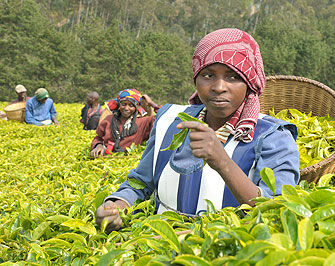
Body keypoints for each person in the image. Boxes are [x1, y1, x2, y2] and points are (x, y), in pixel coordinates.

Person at [95, 28, 300, 232]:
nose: (219, 87)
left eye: (233, 77)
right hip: (157, 245)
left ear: (249, 82)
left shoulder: (274, 137)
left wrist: (222, 162)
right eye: (208, 75)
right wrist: (117, 206)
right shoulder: (170, 121)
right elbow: (140, 183)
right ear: (196, 78)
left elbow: (275, 214)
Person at [90, 89, 157, 158]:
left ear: (136, 107)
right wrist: (98, 146)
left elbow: (165, 116)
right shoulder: (109, 119)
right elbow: (98, 138)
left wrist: (152, 104)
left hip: (129, 160)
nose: (126, 108)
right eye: (123, 104)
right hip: (106, 158)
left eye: (131, 105)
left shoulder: (144, 122)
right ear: (119, 105)